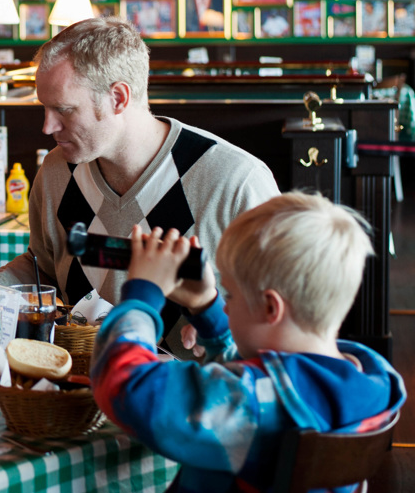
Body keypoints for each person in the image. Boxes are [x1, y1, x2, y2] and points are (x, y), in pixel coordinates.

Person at [0, 17, 279, 353]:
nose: (47, 126)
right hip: (81, 388)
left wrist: (224, 321)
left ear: (119, 97)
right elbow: (43, 269)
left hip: (197, 395)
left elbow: (286, 310)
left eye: (63, 110)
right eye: (45, 108)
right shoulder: (56, 169)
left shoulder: (237, 180)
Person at [91, 192, 406, 492]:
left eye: (230, 295)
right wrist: (204, 305)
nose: (226, 306)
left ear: (271, 308)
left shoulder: (254, 404)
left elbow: (126, 389)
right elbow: (252, 383)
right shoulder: (368, 378)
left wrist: (143, 296)